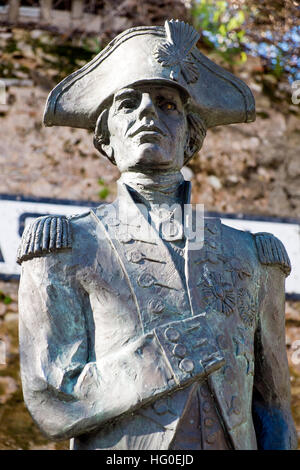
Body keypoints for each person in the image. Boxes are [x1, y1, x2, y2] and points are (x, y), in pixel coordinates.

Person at [17, 20, 297, 450]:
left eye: (167, 104)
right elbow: (54, 396)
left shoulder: (252, 255)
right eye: (128, 103)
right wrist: (173, 353)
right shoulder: (66, 247)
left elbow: (273, 407)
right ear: (106, 140)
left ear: (190, 138)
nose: (148, 111)